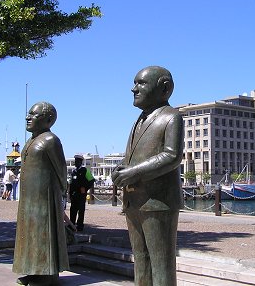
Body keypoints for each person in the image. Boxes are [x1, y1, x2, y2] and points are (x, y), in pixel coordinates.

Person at [112, 66, 184, 286]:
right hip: (135, 201)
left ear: (164, 88)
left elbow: (172, 156)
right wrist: (122, 169)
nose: (134, 89)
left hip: (158, 203)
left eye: (141, 83)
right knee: (141, 260)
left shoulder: (172, 117)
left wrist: (133, 172)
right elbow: (132, 156)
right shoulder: (138, 120)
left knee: (161, 262)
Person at [13, 102, 69, 286]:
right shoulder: (30, 141)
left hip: (44, 198)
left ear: (48, 119)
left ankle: (47, 274)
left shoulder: (50, 140)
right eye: (28, 113)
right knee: (29, 235)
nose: (28, 117)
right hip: (29, 198)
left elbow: (61, 170)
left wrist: (61, 195)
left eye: (34, 114)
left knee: (44, 234)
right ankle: (33, 270)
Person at [69, 155, 95, 231]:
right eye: (75, 161)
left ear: (81, 162)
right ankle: (72, 224)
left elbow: (91, 180)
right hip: (74, 194)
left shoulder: (85, 170)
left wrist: (85, 188)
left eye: (77, 162)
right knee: (73, 210)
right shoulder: (74, 172)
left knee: (81, 210)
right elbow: (71, 183)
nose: (76, 163)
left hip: (81, 194)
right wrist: (70, 194)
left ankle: (80, 226)